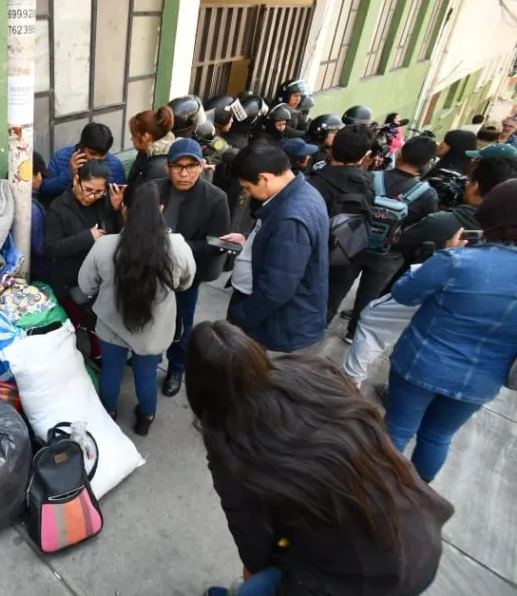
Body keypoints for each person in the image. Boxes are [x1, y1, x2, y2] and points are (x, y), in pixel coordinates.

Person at [187, 321, 454, 596]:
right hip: (419, 529)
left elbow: (252, 536)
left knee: (252, 590)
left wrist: (261, 566)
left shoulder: (228, 445)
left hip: (361, 577)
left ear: (199, 388)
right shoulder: (313, 370)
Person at [384, 178, 517, 483]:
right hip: (483, 380)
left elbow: (404, 294)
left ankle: (373, 494)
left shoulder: (457, 261)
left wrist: (441, 255)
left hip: (421, 363)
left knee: (395, 430)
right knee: (438, 437)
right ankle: (417, 497)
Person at [77, 181, 195, 435]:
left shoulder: (104, 246)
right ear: (160, 209)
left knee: (111, 372)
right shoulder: (179, 247)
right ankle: (146, 418)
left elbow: (85, 284)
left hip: (111, 325)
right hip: (154, 330)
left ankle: (108, 413)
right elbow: (186, 282)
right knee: (146, 375)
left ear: (124, 209)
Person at [221, 142, 329, 353]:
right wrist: (248, 240)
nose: (248, 193)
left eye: (248, 187)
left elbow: (276, 289)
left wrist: (240, 317)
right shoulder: (299, 193)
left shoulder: (291, 218)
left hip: (277, 325)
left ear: (264, 178)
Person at [331, 136, 439, 341]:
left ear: (400, 153)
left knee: (336, 288)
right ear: (426, 163)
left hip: (355, 245)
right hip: (391, 254)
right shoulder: (427, 194)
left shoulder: (372, 177)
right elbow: (425, 226)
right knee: (370, 295)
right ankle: (354, 332)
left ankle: (322, 321)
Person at [154, 138, 230, 396]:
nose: (184, 173)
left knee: (182, 325)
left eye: (191, 166)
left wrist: (176, 246)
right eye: (178, 166)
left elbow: (215, 242)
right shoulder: (153, 190)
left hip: (187, 277)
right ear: (168, 167)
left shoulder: (216, 198)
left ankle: (176, 368)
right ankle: (150, 358)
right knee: (150, 318)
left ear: (202, 166)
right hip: (153, 272)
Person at [42, 159, 123, 361]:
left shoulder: (104, 202)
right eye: (87, 189)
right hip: (72, 277)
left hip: (101, 274)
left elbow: (115, 234)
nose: (90, 196)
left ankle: (99, 352)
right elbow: (51, 247)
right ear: (76, 179)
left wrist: (115, 209)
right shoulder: (58, 207)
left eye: (97, 192)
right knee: (82, 318)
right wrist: (87, 237)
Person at [308, 123, 377, 326]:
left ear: (332, 146)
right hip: (348, 254)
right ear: (364, 154)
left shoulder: (314, 183)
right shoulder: (369, 183)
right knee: (332, 297)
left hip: (313, 253)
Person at [400, 152, 517, 262]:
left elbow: (397, 243)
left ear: (474, 187)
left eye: (469, 180)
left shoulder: (439, 222)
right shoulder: (508, 238)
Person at [38, 123, 125, 200]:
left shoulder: (114, 166)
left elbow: (120, 197)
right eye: (92, 153)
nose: (97, 158)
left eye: (102, 155)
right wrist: (69, 173)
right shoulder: (61, 157)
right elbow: (44, 189)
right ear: (81, 147)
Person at [126, 105, 177, 185]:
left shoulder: (158, 168)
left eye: (134, 135)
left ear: (145, 137)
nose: (131, 139)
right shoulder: (145, 151)